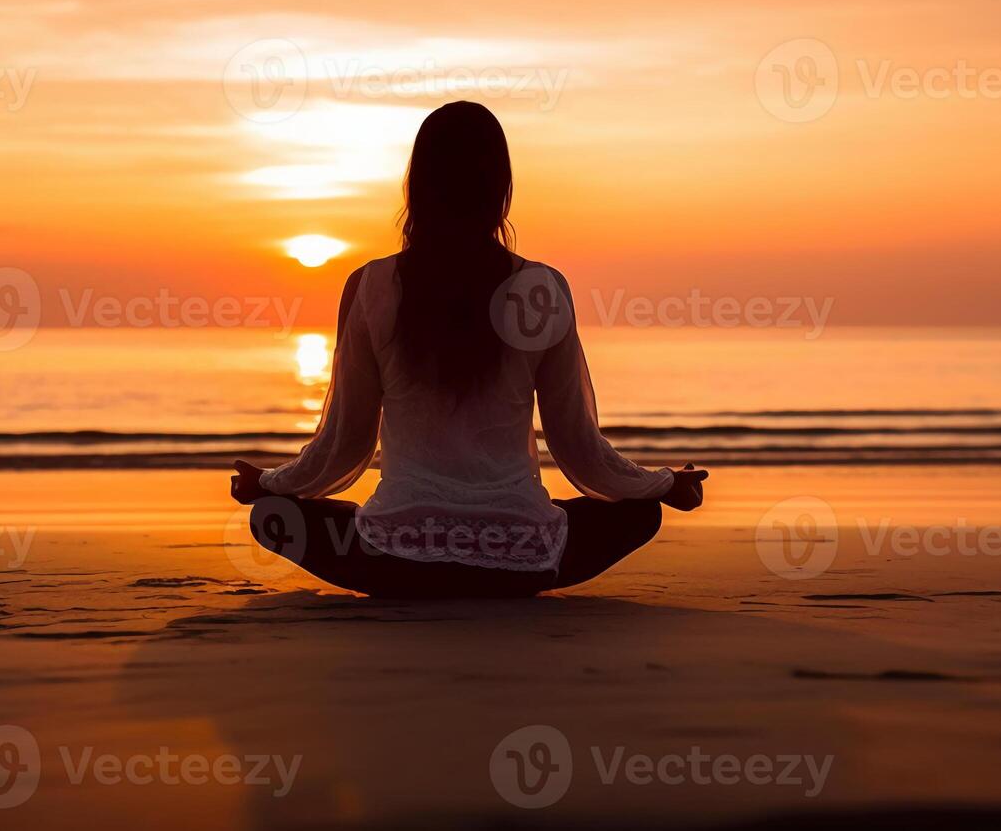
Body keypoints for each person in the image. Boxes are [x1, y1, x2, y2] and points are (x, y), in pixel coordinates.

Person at [230, 101, 707, 598]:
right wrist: (662, 485)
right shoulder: (540, 289)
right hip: (523, 563)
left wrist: (269, 486)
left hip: (393, 563)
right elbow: (579, 451)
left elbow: (345, 446)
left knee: (274, 516)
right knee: (639, 514)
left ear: (416, 186)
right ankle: (498, 558)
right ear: (501, 190)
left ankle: (418, 559)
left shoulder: (372, 286)